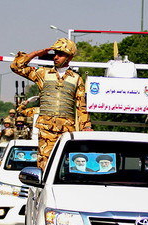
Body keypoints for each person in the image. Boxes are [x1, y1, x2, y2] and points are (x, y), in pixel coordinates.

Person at [11, 38, 92, 171]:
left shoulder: (76, 79)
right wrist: (37, 53)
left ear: (69, 57)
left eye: (60, 54)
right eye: (55, 54)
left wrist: (86, 127)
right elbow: (16, 66)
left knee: (65, 167)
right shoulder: (42, 73)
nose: (56, 57)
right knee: (44, 166)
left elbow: (81, 107)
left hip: (66, 131)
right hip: (46, 129)